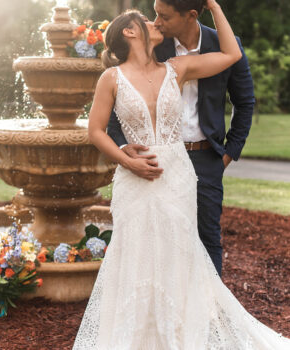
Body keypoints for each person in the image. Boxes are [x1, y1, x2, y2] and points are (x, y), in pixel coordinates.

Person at [72, 1, 290, 349]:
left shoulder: (176, 68)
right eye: (147, 19)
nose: (155, 21)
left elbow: (232, 55)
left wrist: (214, 4)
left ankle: (187, 333)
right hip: (134, 179)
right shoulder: (110, 78)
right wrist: (125, 158)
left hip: (179, 176)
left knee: (183, 252)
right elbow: (96, 130)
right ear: (130, 32)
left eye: (160, 15)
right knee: (134, 254)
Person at [107, 0, 255, 277]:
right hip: (156, 159)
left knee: (207, 237)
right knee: (155, 240)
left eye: (163, 16)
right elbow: (117, 108)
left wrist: (225, 155)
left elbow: (244, 102)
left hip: (206, 157)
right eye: (154, 14)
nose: (156, 21)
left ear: (191, 15)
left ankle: (209, 315)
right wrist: (125, 149)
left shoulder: (223, 43)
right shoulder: (152, 47)